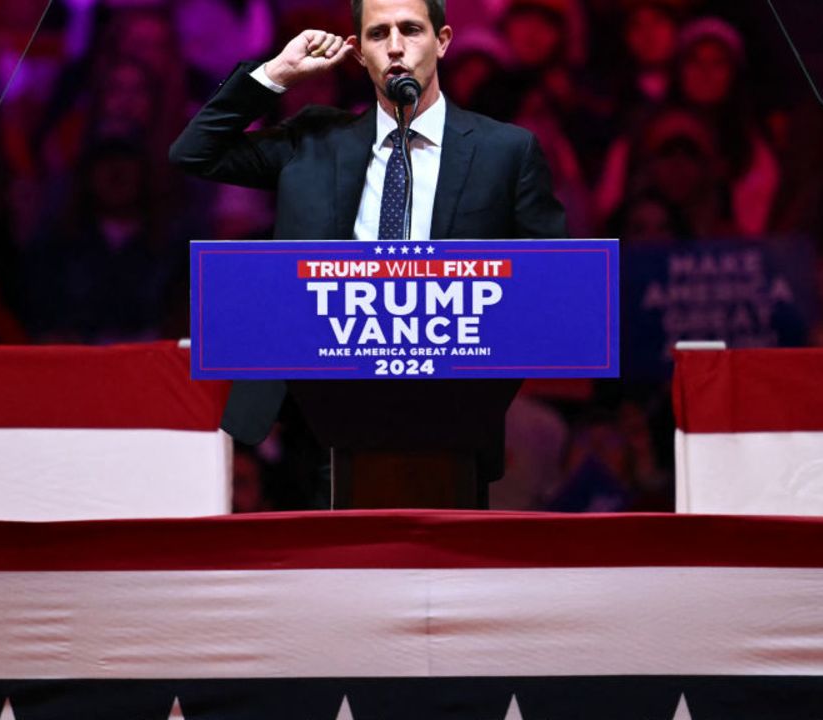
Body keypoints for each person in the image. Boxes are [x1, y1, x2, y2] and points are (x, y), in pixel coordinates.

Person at [169, 0, 567, 503]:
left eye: (411, 30)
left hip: (452, 420)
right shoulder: (313, 141)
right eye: (378, 34)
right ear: (357, 53)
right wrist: (275, 74)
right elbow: (194, 151)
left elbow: (552, 286)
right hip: (314, 419)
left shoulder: (506, 152)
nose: (396, 46)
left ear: (442, 41)